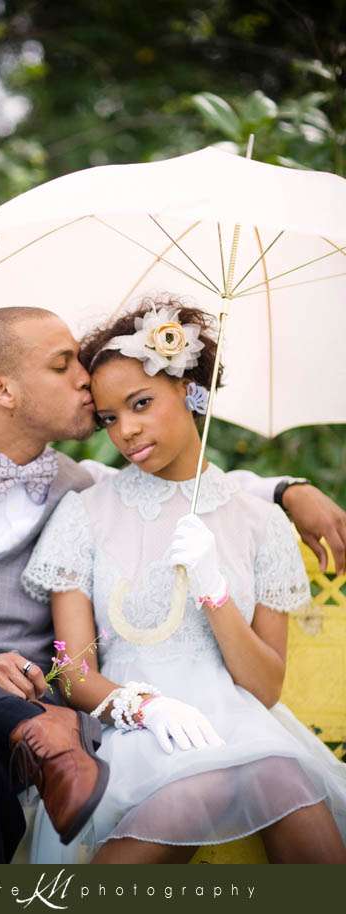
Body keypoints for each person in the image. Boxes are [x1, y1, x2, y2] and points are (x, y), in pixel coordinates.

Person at [0, 305, 344, 865]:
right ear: (2, 390)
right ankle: (15, 720)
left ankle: (10, 725)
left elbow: (183, 485)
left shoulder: (80, 488)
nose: (84, 381)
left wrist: (288, 490)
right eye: (63, 364)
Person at [22, 299, 346, 864]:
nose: (126, 431)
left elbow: (264, 688)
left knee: (282, 776)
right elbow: (72, 672)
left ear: (189, 392)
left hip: (243, 727)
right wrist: (144, 708)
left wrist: (213, 589)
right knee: (205, 785)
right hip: (135, 733)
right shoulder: (86, 513)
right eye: (109, 418)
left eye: (141, 403)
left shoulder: (260, 521)